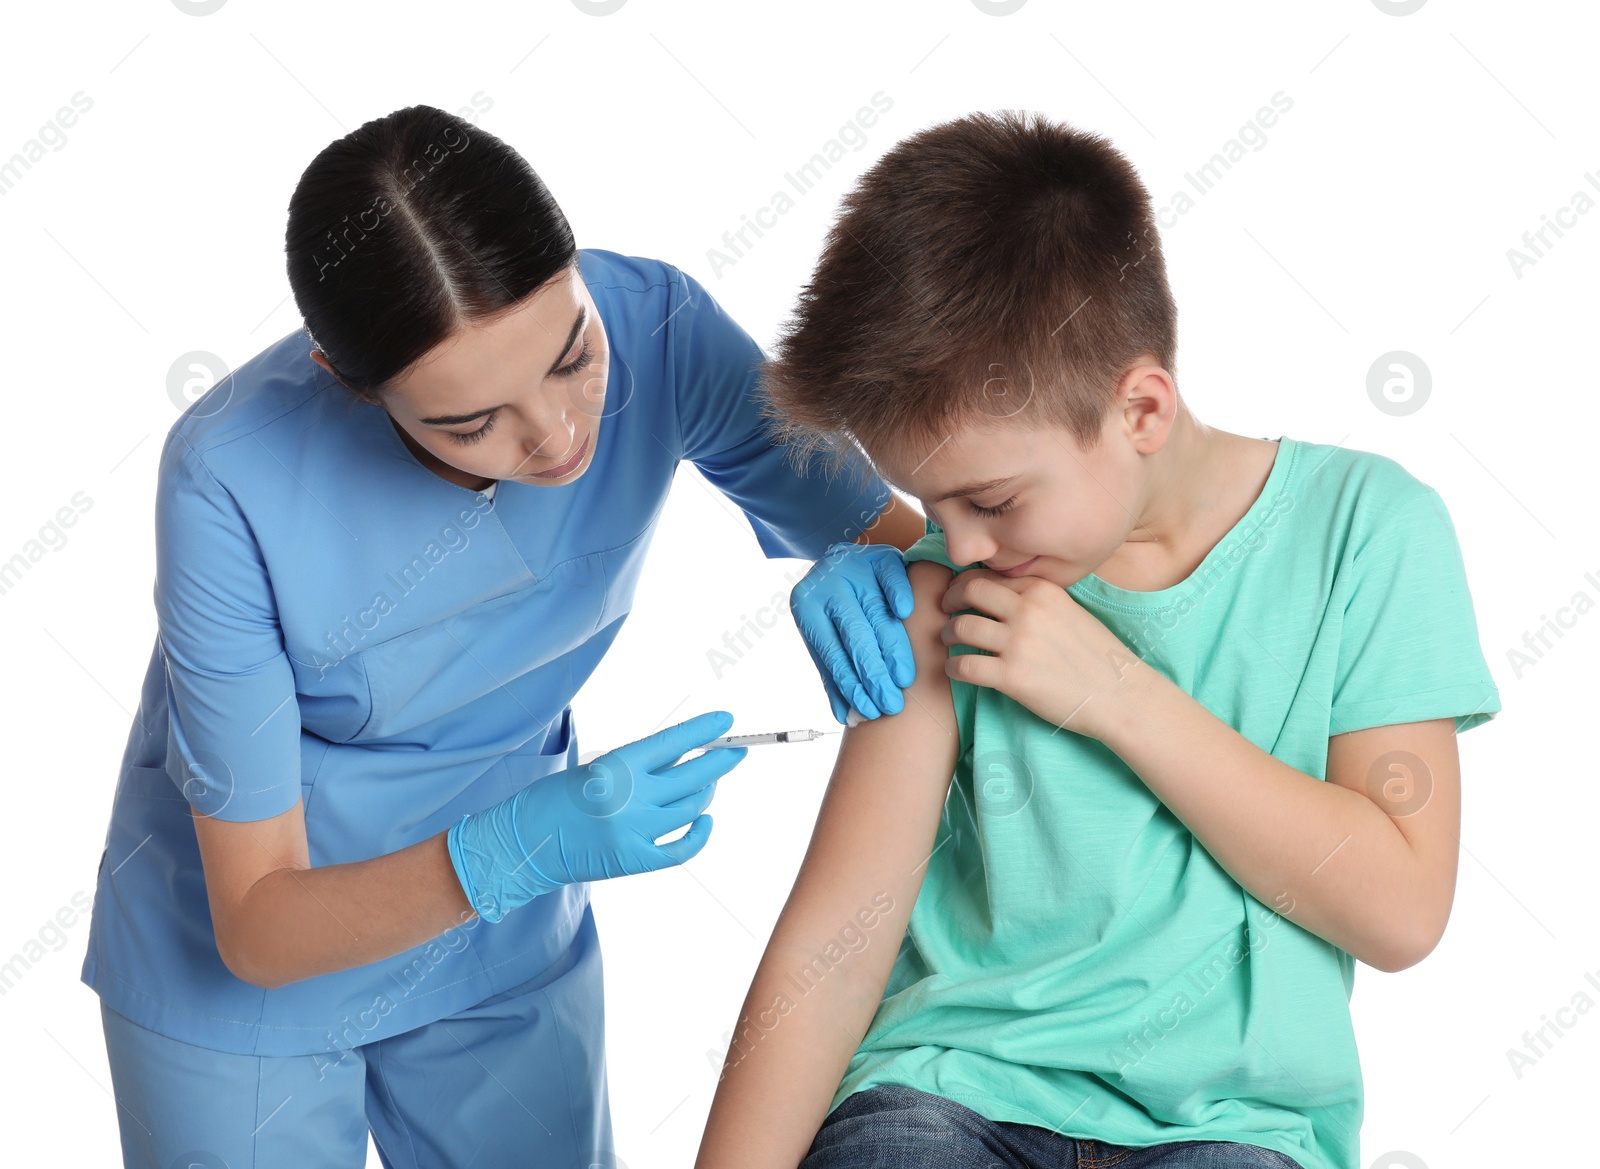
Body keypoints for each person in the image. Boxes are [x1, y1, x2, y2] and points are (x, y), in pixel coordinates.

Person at [79, 104, 927, 1169]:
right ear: (350, 385)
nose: (559, 432)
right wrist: (519, 843)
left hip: (503, 935)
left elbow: (927, 545)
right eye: (471, 424)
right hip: (245, 958)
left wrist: (868, 553)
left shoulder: (656, 324)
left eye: (572, 356)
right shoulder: (228, 474)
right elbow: (257, 921)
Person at [693, 110, 1502, 1169]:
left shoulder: (1368, 532)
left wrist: (1114, 692)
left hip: (1232, 1127)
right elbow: (832, 951)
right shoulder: (947, 587)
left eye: (990, 497)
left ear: (1140, 410)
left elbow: (1397, 909)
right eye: (931, 501)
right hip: (948, 1095)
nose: (958, 542)